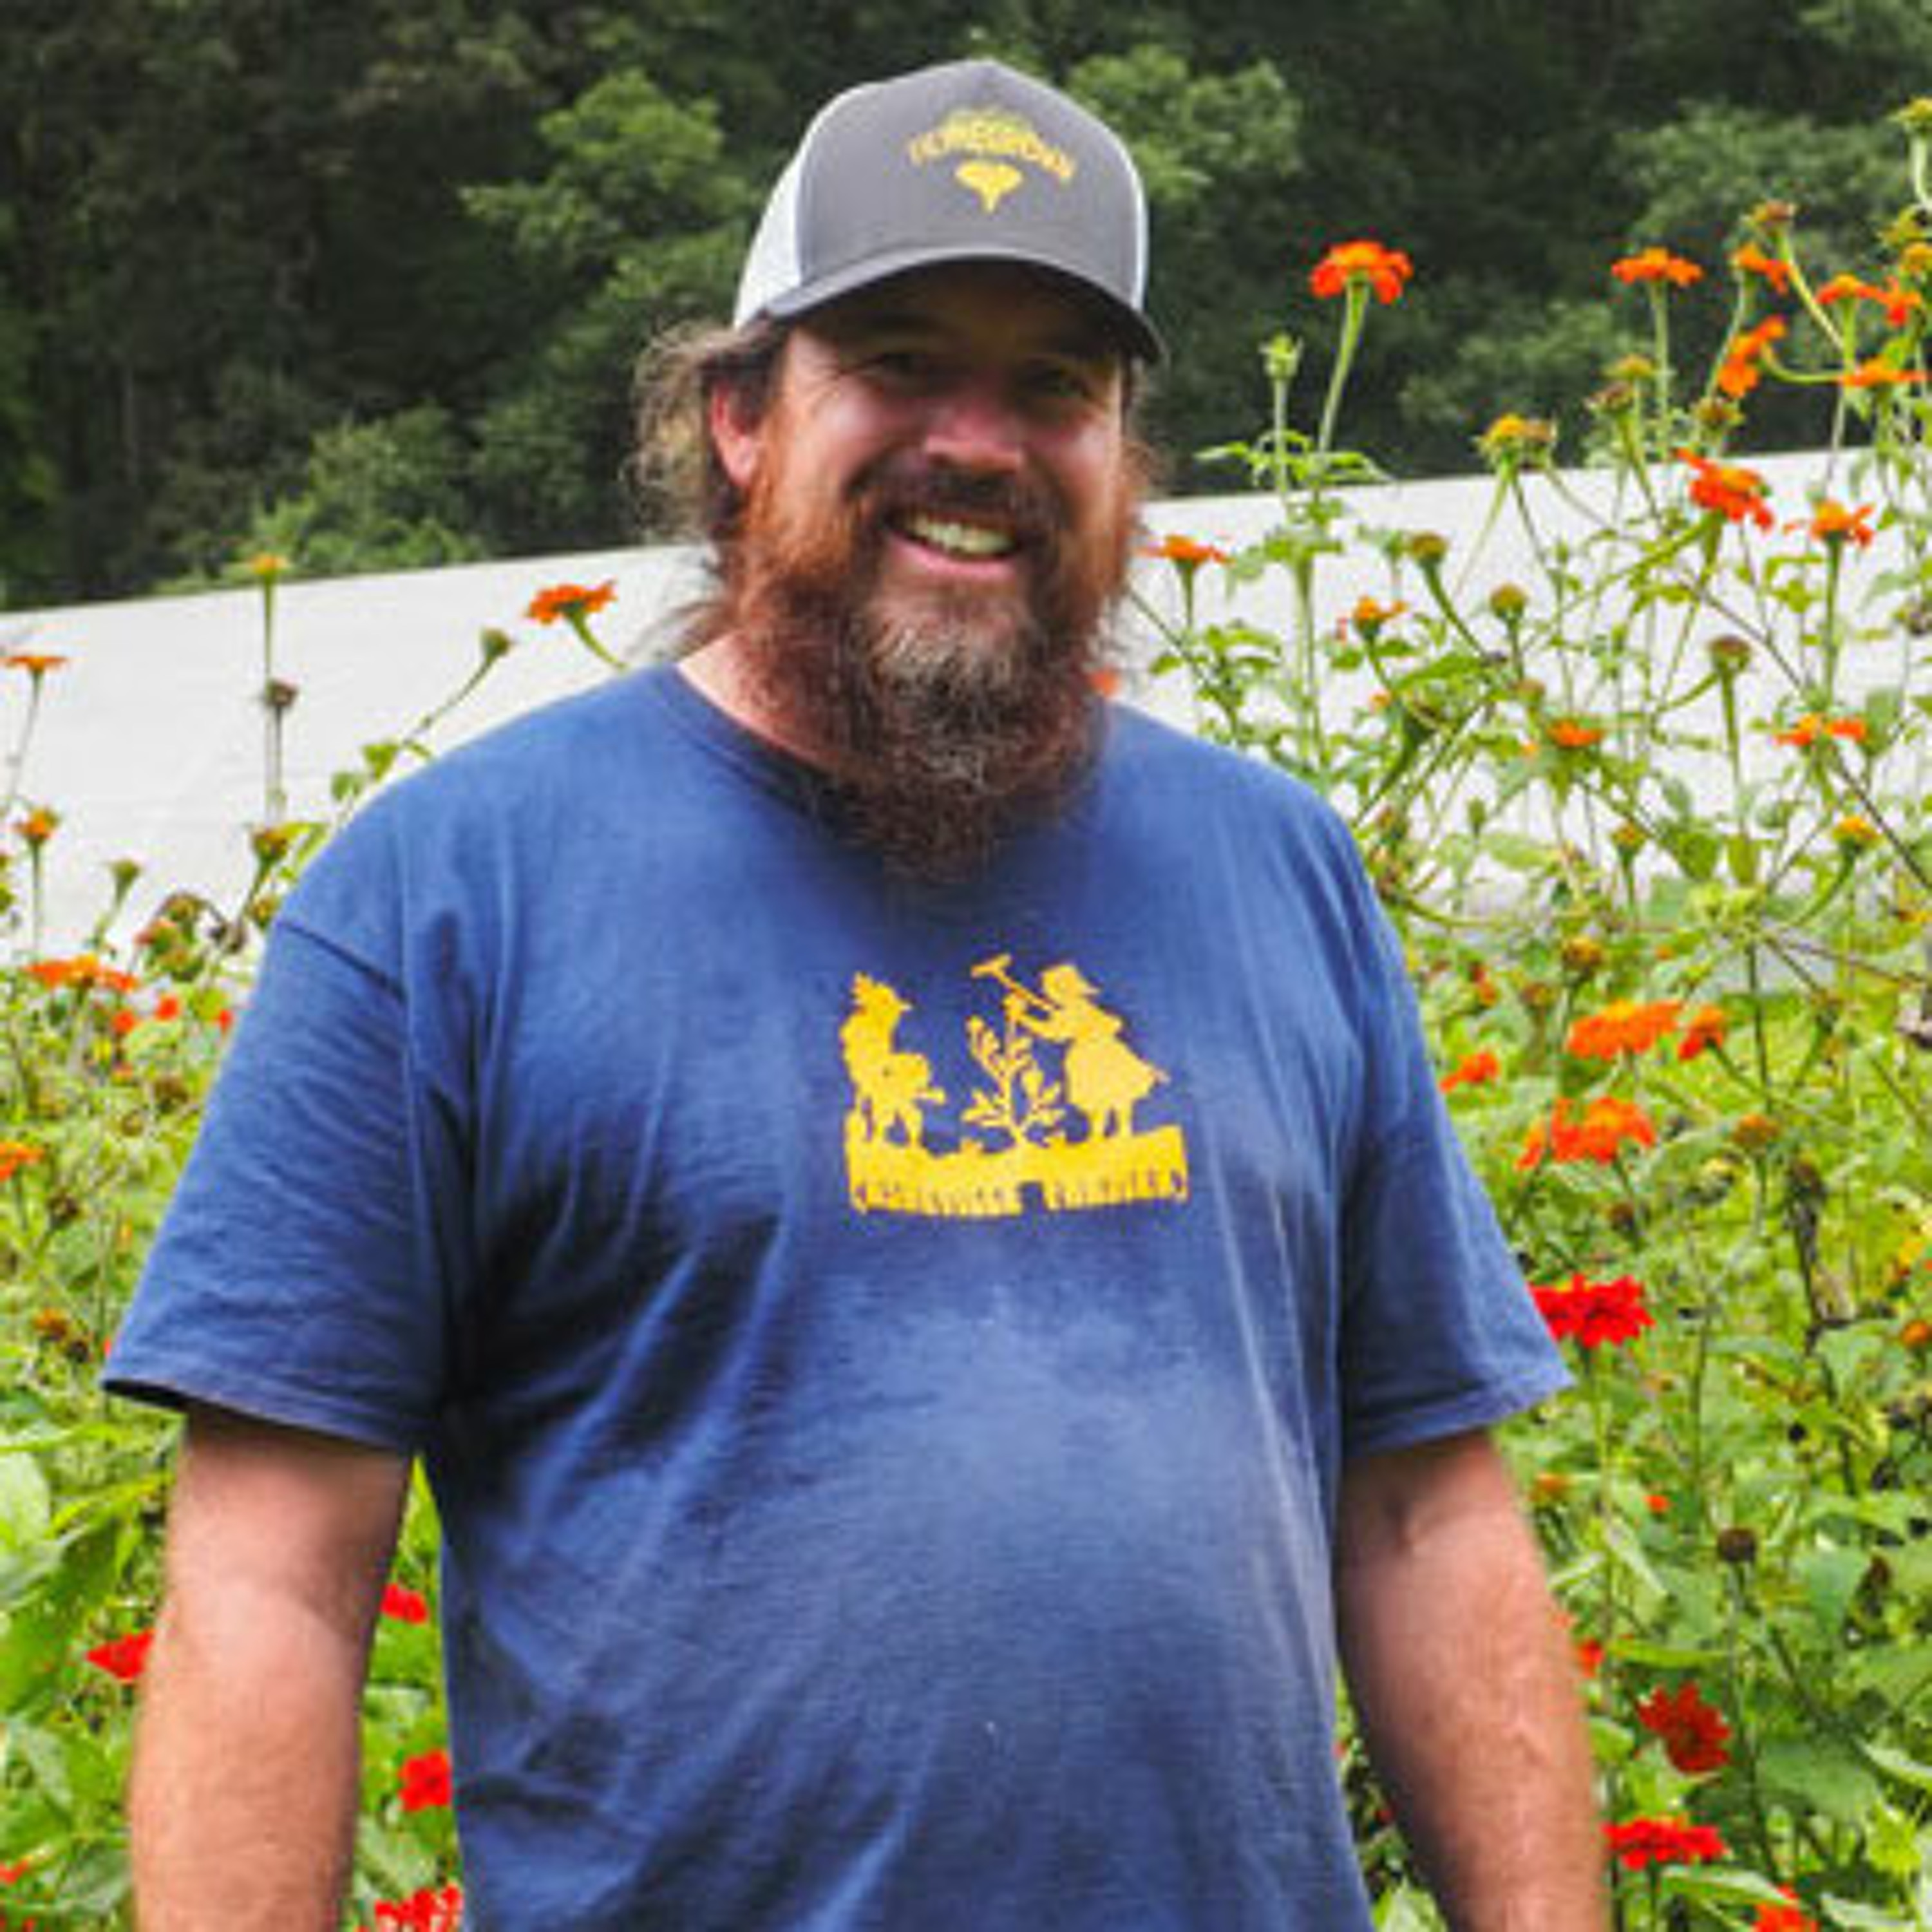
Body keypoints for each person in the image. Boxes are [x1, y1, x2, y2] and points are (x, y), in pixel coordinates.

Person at [108, 56, 1607, 1931]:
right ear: (741, 419)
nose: (979, 443)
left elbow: (1425, 1513)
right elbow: (271, 1583)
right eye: (900, 362)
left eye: (1055, 384)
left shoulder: (1277, 868)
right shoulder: (450, 897)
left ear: (1124, 453)